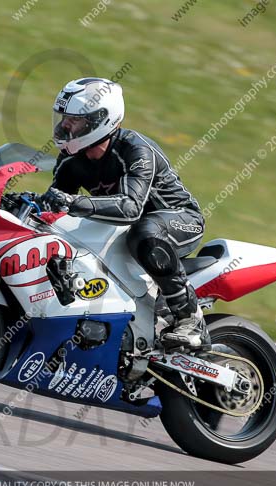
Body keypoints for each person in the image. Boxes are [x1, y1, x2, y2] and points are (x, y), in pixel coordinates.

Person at [43, 77, 209, 349]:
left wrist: (74, 203)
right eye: (63, 118)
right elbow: (56, 208)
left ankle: (191, 319)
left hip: (180, 220)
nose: (64, 126)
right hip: (127, 228)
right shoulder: (71, 159)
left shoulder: (136, 150)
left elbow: (131, 209)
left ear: (99, 120)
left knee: (144, 233)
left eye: (75, 120)